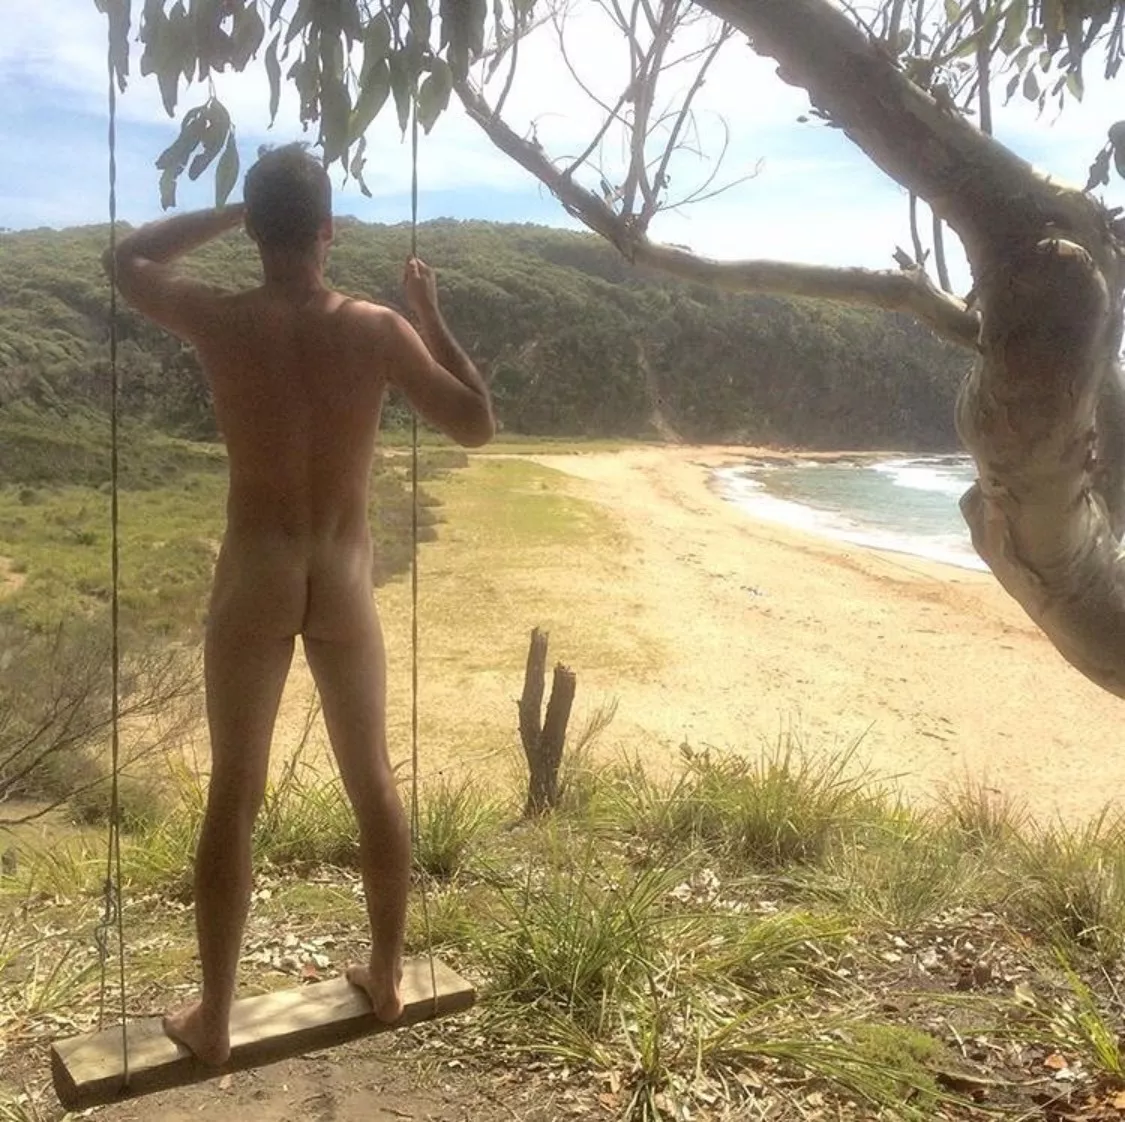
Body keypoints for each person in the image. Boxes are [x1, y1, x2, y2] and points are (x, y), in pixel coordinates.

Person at [104, 143, 494, 1066]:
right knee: (374, 781)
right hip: (344, 577)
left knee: (234, 794)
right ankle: (389, 979)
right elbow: (477, 422)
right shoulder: (378, 327)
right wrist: (431, 316)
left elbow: (129, 260)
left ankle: (214, 1019)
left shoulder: (219, 317)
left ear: (257, 230)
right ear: (327, 230)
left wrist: (234, 213)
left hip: (256, 573)